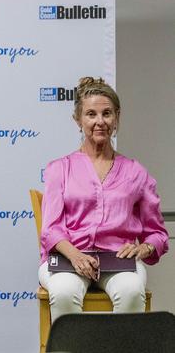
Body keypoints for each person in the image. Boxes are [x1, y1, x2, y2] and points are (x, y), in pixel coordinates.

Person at [38, 77, 169, 321]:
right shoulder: (59, 169)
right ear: (78, 119)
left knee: (131, 291)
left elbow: (158, 234)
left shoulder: (136, 172)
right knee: (64, 292)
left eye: (107, 113)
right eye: (91, 114)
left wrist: (143, 247)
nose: (100, 121)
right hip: (68, 259)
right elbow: (50, 230)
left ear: (117, 117)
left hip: (118, 260)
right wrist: (76, 256)